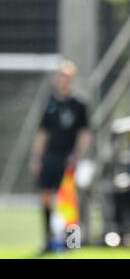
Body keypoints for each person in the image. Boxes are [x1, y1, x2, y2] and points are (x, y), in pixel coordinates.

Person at [30, 60, 91, 252]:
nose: (63, 80)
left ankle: (71, 242)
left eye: (67, 77)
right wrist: (37, 157)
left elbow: (84, 133)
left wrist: (77, 155)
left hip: (67, 158)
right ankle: (48, 241)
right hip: (50, 156)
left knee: (67, 201)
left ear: (71, 79)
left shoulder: (78, 104)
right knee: (46, 197)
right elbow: (42, 132)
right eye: (60, 76)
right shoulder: (50, 102)